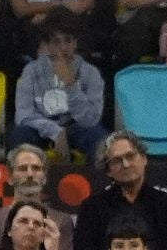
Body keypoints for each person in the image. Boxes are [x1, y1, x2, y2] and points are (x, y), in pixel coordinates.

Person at [74, 132, 167, 250]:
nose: (126, 164)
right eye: (117, 161)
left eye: (130, 156)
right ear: (108, 170)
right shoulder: (92, 208)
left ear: (144, 158)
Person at [11, 11, 103, 167]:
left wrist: (71, 85)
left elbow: (92, 119)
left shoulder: (90, 73)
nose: (63, 48)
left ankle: (96, 185)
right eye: (56, 42)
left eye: (68, 41)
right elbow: (22, 115)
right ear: (47, 45)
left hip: (77, 127)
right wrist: (55, 131)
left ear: (75, 42)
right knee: (19, 135)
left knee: (100, 138)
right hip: (41, 126)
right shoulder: (32, 71)